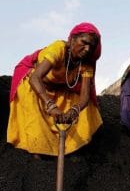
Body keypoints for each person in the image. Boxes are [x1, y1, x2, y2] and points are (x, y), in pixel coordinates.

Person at [7, 22, 103, 156]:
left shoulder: (86, 64)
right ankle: (38, 146)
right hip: (37, 86)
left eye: (91, 46)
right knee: (28, 93)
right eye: (84, 42)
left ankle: (69, 146)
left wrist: (74, 110)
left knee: (86, 109)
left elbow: (85, 97)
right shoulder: (58, 49)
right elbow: (35, 78)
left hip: (59, 88)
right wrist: (51, 105)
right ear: (71, 40)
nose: (87, 49)